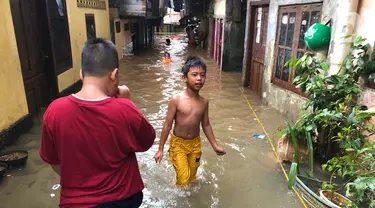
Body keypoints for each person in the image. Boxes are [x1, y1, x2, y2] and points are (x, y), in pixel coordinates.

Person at [39, 38, 156, 208]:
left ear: (81, 74)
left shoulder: (54, 111)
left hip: (75, 203)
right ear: (114, 75)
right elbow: (146, 141)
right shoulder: (124, 109)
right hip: (123, 200)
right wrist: (128, 102)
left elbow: (54, 162)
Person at [153, 56, 226, 187]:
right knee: (183, 179)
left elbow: (206, 125)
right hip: (178, 145)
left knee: (192, 177)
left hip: (195, 144)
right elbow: (167, 125)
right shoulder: (176, 100)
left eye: (202, 75)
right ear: (184, 78)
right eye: (194, 75)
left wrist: (215, 145)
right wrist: (160, 149)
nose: (199, 78)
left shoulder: (204, 102)